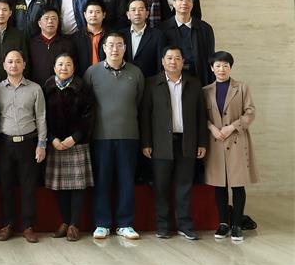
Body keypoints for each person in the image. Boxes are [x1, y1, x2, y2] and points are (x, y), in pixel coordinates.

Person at [141, 46, 207, 240]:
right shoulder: (152, 83)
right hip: (160, 142)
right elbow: (145, 115)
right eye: (169, 58)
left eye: (177, 58)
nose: (173, 62)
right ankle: (163, 226)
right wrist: (146, 142)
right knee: (161, 186)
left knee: (184, 185)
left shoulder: (194, 83)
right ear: (162, 61)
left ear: (183, 61)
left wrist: (202, 142)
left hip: (187, 141)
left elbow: (201, 115)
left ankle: (185, 225)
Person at [84, 33, 144, 240]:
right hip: (101, 136)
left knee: (126, 180)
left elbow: (139, 102)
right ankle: (102, 223)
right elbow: (87, 104)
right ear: (104, 48)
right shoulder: (92, 72)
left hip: (129, 135)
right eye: (110, 45)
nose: (115, 49)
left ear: (125, 48)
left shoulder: (136, 73)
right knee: (102, 180)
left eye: (119, 45)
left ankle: (125, 223)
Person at [203, 51, 260, 242]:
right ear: (212, 68)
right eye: (218, 66)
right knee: (219, 185)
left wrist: (232, 127)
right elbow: (201, 116)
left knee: (237, 184)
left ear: (231, 68)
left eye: (225, 65)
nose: (222, 69)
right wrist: (212, 128)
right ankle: (223, 224)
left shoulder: (242, 88)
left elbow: (250, 112)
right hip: (216, 141)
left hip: (236, 140)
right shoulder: (205, 91)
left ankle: (236, 225)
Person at [0, 50, 46, 243]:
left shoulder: (35, 89)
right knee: (6, 186)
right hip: (4, 143)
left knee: (29, 186)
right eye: (10, 62)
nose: (13, 65)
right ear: (4, 65)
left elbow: (41, 117)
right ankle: (7, 225)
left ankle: (28, 226)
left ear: (24, 64)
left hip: (28, 143)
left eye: (17, 61)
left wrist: (42, 144)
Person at [43, 53, 94, 242]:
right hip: (55, 143)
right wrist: (52, 139)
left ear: (74, 67)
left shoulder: (82, 87)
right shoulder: (47, 86)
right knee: (60, 186)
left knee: (78, 185)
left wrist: (75, 138)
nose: (64, 68)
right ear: (54, 67)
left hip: (77, 142)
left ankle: (74, 224)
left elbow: (89, 116)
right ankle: (64, 222)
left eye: (68, 64)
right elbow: (42, 116)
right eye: (60, 64)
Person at [160, 0, 215, 86]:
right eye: (180, 0)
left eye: (188, 0)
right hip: (170, 79)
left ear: (192, 4)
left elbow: (210, 57)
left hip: (199, 77)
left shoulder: (205, 29)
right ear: (173, 3)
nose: (184, 3)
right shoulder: (162, 29)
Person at [27, 7, 76, 86]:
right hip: (36, 87)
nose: (50, 21)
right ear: (39, 23)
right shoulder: (31, 43)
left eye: (54, 18)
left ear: (58, 22)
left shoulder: (67, 43)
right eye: (46, 18)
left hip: (60, 88)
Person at [120, 0, 165, 78]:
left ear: (147, 14)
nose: (137, 13)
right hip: (124, 80)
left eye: (141, 9)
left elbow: (160, 64)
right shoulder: (121, 35)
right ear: (128, 15)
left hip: (149, 81)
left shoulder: (158, 35)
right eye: (133, 10)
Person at [72, 0, 109, 76]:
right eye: (90, 12)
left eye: (97, 12)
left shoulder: (110, 36)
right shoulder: (75, 38)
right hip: (83, 77)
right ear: (85, 15)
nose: (94, 15)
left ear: (104, 15)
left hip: (106, 76)